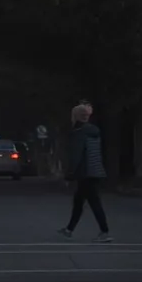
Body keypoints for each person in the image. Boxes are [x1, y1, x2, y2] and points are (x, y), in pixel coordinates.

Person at [59, 103, 112, 242]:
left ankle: (105, 232)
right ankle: (69, 229)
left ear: (75, 116)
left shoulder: (79, 132)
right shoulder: (94, 131)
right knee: (79, 201)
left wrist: (69, 175)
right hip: (95, 170)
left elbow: (76, 155)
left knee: (94, 203)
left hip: (85, 172)